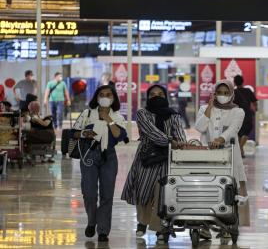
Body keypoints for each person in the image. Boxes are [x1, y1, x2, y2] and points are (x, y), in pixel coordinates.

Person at [121, 84, 186, 243]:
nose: (156, 97)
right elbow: (152, 133)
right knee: (143, 192)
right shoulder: (142, 113)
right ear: (147, 97)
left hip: (166, 160)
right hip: (147, 158)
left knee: (162, 194)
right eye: (152, 94)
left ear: (166, 96)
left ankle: (160, 229)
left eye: (160, 94)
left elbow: (180, 136)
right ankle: (142, 222)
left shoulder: (174, 115)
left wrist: (180, 142)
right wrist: (171, 141)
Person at [72, 85, 127, 242]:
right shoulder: (87, 114)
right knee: (89, 193)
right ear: (96, 98)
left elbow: (119, 136)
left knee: (107, 195)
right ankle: (91, 221)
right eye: (101, 94)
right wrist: (85, 133)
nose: (105, 97)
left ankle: (103, 230)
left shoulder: (117, 116)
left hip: (109, 157)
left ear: (113, 98)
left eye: (108, 94)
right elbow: (73, 133)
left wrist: (108, 119)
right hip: (89, 155)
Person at [195, 79, 249, 239]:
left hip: (230, 156)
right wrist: (210, 106)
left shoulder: (238, 111)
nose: (223, 96)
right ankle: (204, 226)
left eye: (226, 93)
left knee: (229, 193)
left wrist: (220, 140)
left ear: (232, 94)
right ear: (214, 93)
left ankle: (228, 225)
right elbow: (200, 127)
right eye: (219, 92)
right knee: (207, 191)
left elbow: (233, 129)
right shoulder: (205, 108)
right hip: (207, 157)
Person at [233, 75, 258, 157]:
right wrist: (255, 108)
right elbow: (254, 101)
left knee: (239, 132)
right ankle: (241, 148)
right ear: (242, 81)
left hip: (237, 114)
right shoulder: (248, 90)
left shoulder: (234, 92)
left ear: (234, 82)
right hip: (247, 113)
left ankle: (240, 149)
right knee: (247, 131)